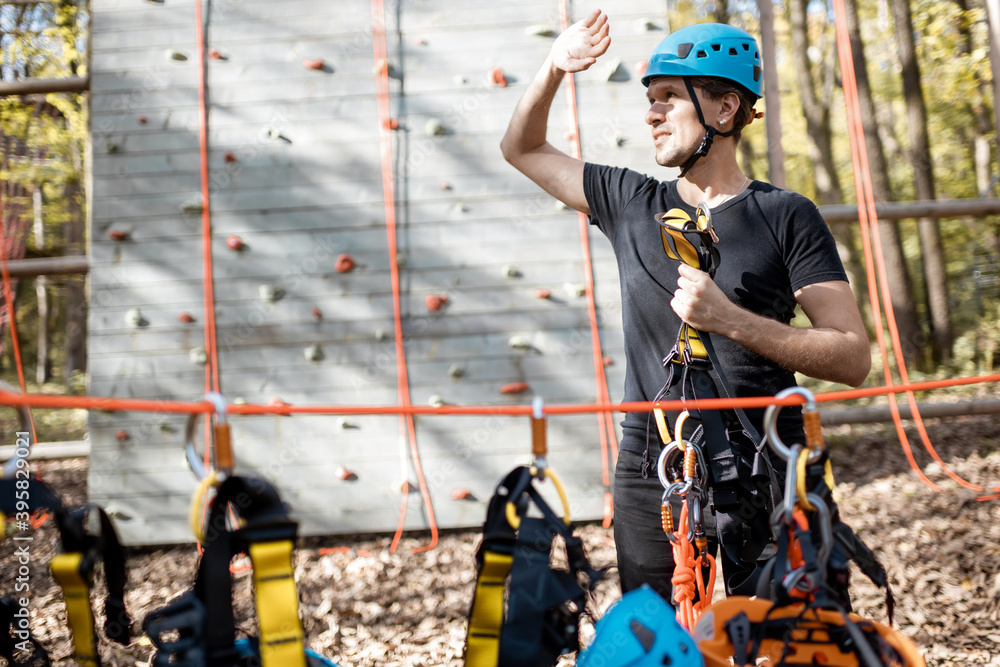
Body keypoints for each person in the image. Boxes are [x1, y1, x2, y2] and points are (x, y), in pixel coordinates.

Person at [500, 11, 871, 602]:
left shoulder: (785, 215)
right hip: (654, 456)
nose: (651, 113)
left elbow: (852, 357)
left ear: (725, 110)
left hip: (767, 452)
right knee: (654, 641)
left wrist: (732, 321)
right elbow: (520, 147)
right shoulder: (627, 201)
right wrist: (552, 66)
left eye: (669, 97)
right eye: (651, 98)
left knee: (790, 635)